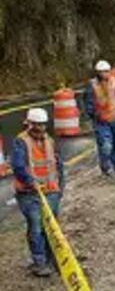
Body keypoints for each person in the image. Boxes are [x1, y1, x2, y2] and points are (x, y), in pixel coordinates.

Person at [11, 107, 65, 277]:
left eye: (43, 125)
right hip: (29, 194)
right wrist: (30, 182)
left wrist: (60, 186)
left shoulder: (49, 140)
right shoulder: (21, 142)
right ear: (30, 124)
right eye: (37, 125)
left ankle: (53, 259)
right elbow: (18, 166)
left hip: (51, 192)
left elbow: (58, 164)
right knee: (36, 227)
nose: (41, 129)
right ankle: (40, 262)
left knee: (52, 227)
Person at [82, 59, 115, 175]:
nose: (104, 74)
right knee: (106, 145)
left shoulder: (114, 81)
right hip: (101, 121)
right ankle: (106, 168)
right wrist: (93, 115)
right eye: (102, 72)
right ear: (97, 73)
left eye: (106, 72)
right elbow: (88, 102)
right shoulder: (92, 85)